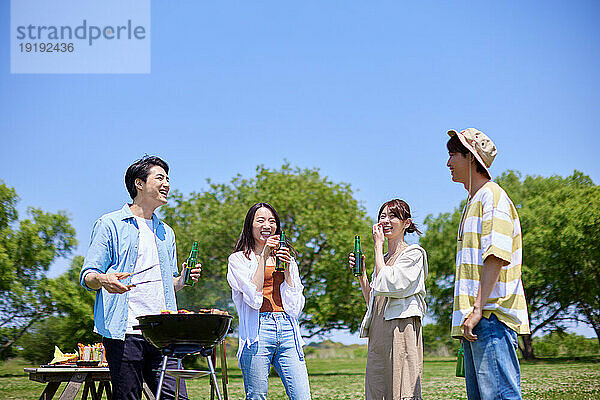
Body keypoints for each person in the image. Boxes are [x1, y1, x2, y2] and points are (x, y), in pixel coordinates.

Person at [79, 156, 201, 400]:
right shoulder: (110, 224)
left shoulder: (166, 232)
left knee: (176, 396)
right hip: (126, 331)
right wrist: (104, 280)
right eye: (160, 178)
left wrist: (183, 279)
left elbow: (168, 284)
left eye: (168, 179)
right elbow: (88, 276)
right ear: (139, 183)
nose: (167, 184)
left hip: (164, 333)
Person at [446, 128, 530, 400]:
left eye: (453, 155)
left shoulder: (492, 197)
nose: (448, 163)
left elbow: (496, 255)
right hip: (477, 319)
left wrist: (478, 309)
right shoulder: (473, 201)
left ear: (470, 158)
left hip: (490, 316)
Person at [227, 202, 311, 400]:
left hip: (288, 330)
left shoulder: (287, 259)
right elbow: (253, 298)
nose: (267, 225)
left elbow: (295, 306)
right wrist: (263, 256)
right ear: (250, 225)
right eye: (261, 220)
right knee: (257, 396)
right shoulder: (238, 260)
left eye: (272, 221)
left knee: (302, 396)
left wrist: (289, 269)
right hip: (257, 333)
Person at [349, 199, 428, 400]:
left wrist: (377, 246)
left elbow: (393, 284)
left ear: (407, 223)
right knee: (378, 387)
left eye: (392, 216)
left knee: (403, 388)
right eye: (382, 216)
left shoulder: (413, 253)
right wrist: (362, 275)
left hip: (401, 328)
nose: (385, 220)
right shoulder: (382, 259)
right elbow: (374, 302)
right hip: (379, 330)